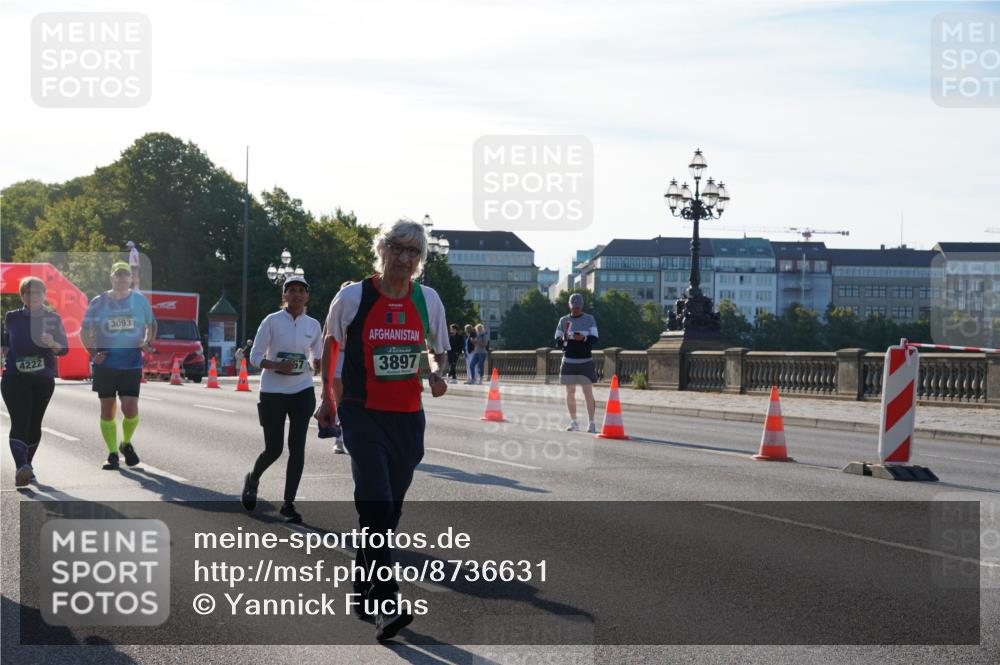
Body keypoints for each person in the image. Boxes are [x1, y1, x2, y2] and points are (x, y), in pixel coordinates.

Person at [316, 218, 449, 641]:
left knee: (387, 512)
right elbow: (330, 345)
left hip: (408, 417)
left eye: (413, 252)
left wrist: (436, 372)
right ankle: (386, 603)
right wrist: (326, 399)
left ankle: (360, 587)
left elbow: (437, 351)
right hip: (361, 411)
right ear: (383, 249)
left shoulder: (427, 299)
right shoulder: (353, 296)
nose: (405, 259)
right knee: (375, 503)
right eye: (398, 248)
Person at [240, 274, 323, 524]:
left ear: (307, 296)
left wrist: (318, 364)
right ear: (284, 296)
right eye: (292, 290)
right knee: (274, 449)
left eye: (301, 290)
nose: (297, 294)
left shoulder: (313, 325)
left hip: (302, 390)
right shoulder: (272, 321)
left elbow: (315, 357)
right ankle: (253, 479)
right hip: (273, 391)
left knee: (297, 448)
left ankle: (288, 504)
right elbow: (254, 356)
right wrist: (275, 364)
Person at [81, 262, 156, 470]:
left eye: (126, 275)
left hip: (131, 364)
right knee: (108, 411)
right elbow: (84, 331)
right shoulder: (99, 302)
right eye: (118, 275)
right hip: (106, 365)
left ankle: (126, 443)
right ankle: (113, 453)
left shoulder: (139, 301)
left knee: (130, 409)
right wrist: (94, 354)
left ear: (131, 279)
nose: (122, 278)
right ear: (112, 278)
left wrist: (147, 343)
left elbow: (152, 324)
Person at [1, 277, 69, 487]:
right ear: (22, 296)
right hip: (15, 377)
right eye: (29, 293)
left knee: (34, 424)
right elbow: (4, 343)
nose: (34, 296)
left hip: (42, 379)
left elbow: (64, 349)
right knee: (20, 420)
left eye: (38, 292)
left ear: (44, 295)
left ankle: (28, 466)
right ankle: (21, 466)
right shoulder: (11, 317)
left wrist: (52, 343)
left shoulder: (53, 319)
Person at [555, 293, 599, 433]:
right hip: (568, 360)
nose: (576, 310)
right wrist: (566, 338)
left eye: (578, 308)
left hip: (585, 361)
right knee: (570, 392)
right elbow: (557, 340)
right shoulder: (563, 320)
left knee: (587, 392)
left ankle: (591, 423)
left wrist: (584, 338)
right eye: (574, 307)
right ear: (569, 306)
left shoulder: (589, 319)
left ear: (582, 306)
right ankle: (574, 422)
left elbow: (595, 338)